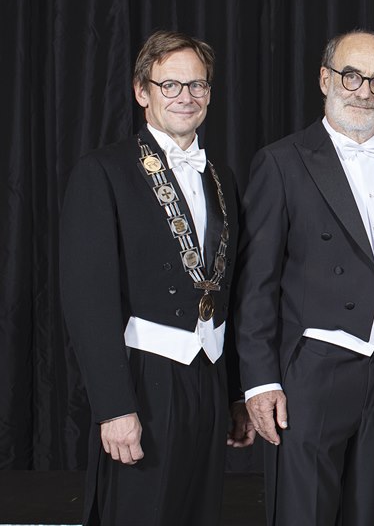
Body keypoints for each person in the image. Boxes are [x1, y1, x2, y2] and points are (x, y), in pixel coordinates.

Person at [60, 30, 254, 526]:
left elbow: (230, 292)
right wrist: (113, 406)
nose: (185, 96)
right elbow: (88, 300)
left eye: (197, 85)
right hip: (143, 381)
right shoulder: (103, 171)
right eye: (170, 85)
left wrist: (236, 392)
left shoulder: (222, 177)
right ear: (142, 92)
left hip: (208, 375)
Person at [235, 30, 374, 525]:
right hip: (311, 372)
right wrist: (259, 382)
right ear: (325, 79)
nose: (365, 91)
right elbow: (256, 284)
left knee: (369, 514)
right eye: (352, 76)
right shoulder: (281, 161)